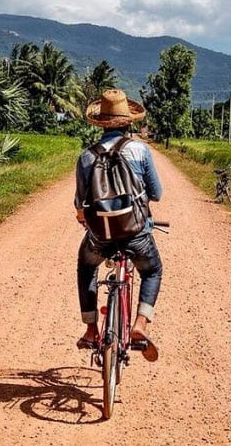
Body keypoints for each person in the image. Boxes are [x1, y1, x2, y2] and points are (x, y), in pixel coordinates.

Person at [74, 89, 164, 362]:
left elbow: (80, 204)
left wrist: (86, 220)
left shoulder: (87, 157)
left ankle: (91, 329)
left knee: (87, 265)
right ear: (129, 122)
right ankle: (140, 324)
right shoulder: (140, 150)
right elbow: (156, 193)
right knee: (152, 270)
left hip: (101, 235)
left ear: (100, 123)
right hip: (136, 232)